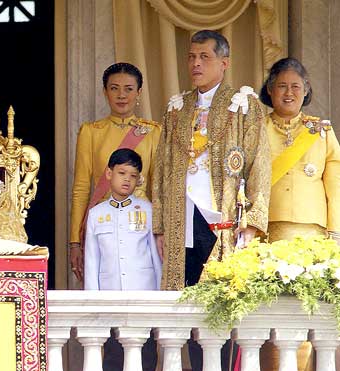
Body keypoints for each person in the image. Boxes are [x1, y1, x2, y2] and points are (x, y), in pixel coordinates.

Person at [152, 30, 271, 291]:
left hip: (223, 215)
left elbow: (259, 165)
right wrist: (159, 226)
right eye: (191, 57)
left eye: (204, 57)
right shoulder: (177, 108)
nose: (196, 63)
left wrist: (252, 223)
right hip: (181, 216)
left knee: (220, 295)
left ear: (224, 63)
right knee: (182, 292)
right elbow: (160, 168)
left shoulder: (243, 105)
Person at [258, 57, 340, 371]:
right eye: (282, 86)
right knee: (268, 311)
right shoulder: (256, 129)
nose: (289, 92)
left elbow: (335, 185)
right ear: (270, 90)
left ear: (306, 90)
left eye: (296, 86)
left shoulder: (321, 132)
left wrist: (335, 232)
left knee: (306, 310)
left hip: (312, 236)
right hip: (268, 234)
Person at [69, 63, 160, 284]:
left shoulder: (152, 132)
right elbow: (81, 188)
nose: (121, 95)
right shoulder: (91, 132)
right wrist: (75, 242)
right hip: (103, 224)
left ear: (139, 92)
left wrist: (160, 231)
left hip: (140, 223)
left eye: (129, 89)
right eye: (114, 88)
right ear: (105, 91)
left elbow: (158, 187)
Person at [83, 148, 161, 290]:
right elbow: (92, 260)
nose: (127, 179)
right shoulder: (96, 214)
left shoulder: (148, 210)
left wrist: (161, 294)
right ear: (109, 173)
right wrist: (92, 297)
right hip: (110, 291)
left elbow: (157, 257)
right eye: (122, 173)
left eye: (133, 175)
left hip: (143, 290)